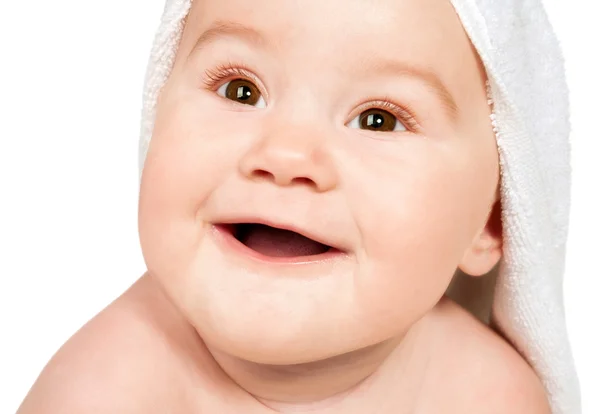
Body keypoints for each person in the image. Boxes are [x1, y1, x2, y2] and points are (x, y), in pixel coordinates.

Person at [17, 0, 580, 412]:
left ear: (491, 218)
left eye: (378, 119)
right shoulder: (103, 393)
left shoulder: (483, 395)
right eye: (241, 89)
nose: (285, 155)